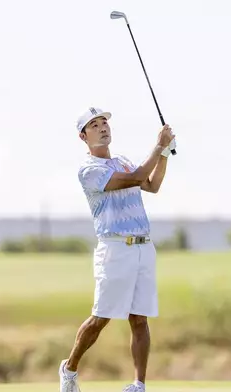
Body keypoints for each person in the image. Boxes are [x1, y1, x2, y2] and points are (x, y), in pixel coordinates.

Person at [58, 107, 176, 392]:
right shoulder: (88, 170)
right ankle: (70, 368)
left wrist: (163, 154)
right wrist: (158, 146)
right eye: (94, 125)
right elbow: (135, 178)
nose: (102, 128)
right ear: (83, 136)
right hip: (114, 249)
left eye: (104, 123)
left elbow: (151, 184)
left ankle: (139, 385)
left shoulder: (122, 161)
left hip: (143, 248)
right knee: (101, 317)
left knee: (139, 318)